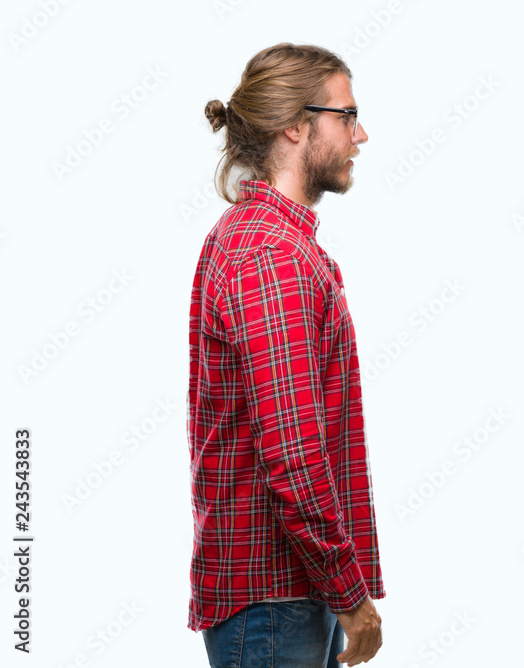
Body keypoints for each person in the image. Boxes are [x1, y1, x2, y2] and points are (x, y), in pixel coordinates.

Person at [186, 42, 384, 667]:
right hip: (275, 601)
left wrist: (336, 590)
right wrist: (351, 595)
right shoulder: (273, 255)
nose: (362, 134)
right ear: (296, 125)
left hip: (292, 595)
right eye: (346, 116)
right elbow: (293, 453)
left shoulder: (273, 245)